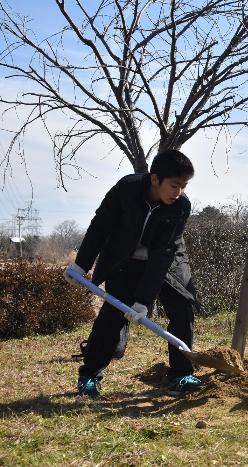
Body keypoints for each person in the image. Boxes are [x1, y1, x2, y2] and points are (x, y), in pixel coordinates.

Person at [64, 149, 202, 397]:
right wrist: (80, 265)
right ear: (154, 179)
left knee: (182, 307)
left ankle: (181, 375)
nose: (178, 192)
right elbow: (100, 225)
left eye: (183, 186)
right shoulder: (126, 189)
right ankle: (89, 376)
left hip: (167, 258)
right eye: (174, 185)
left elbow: (163, 253)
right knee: (113, 314)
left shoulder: (181, 206)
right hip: (124, 258)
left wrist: (143, 301)